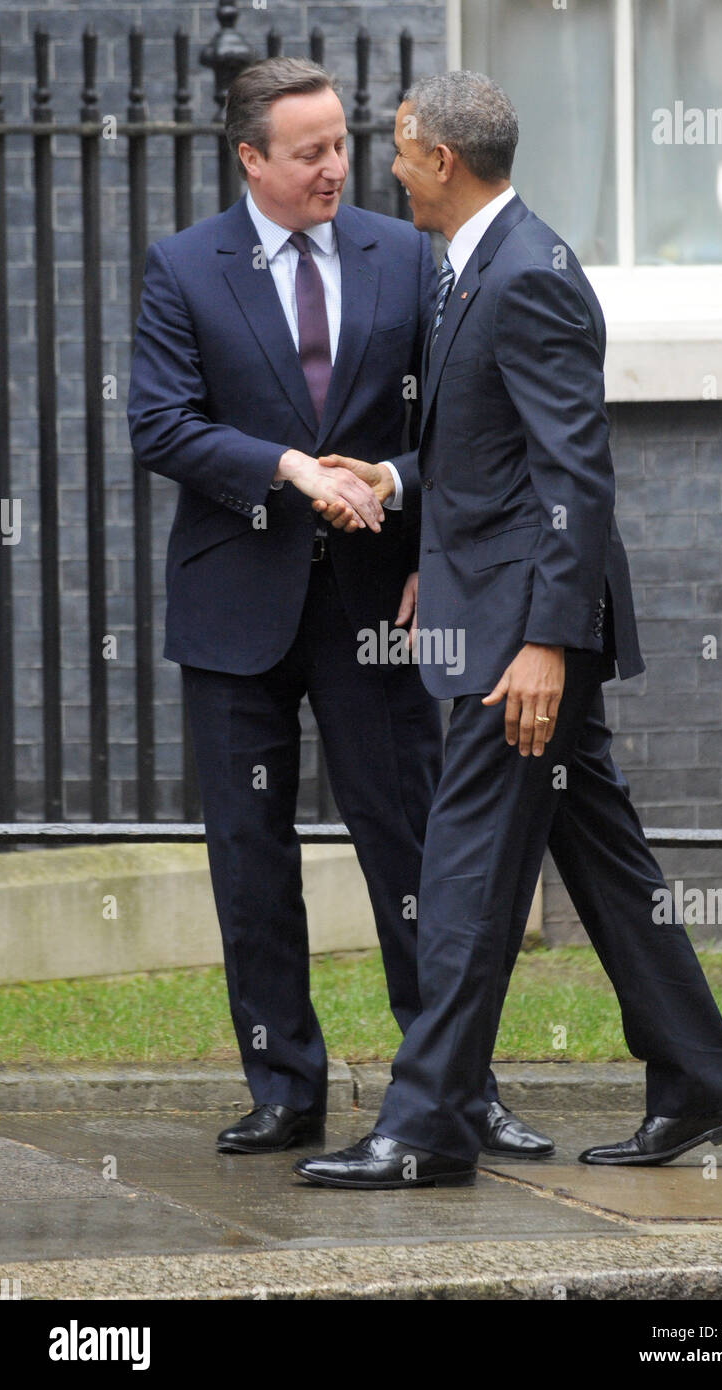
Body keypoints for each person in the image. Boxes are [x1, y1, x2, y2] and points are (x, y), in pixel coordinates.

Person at [295, 70, 722, 1189]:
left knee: (460, 869)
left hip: (522, 640)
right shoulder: (478, 267)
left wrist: (547, 641)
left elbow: (575, 472)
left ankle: (424, 1126)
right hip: (504, 615)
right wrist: (399, 485)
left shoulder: (527, 276)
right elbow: (490, 452)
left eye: (400, 151)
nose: (384, 168)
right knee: (602, 858)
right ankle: (701, 1082)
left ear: (443, 162)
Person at [127, 57, 550, 1160]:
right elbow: (159, 423)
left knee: (414, 855)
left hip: (378, 607)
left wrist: (428, 545)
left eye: (340, 145)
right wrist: (286, 465)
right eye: (308, 150)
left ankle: (453, 1087)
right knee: (248, 860)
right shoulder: (183, 267)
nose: (335, 167)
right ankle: (284, 1086)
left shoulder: (406, 256)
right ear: (250, 158)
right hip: (234, 611)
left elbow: (461, 427)